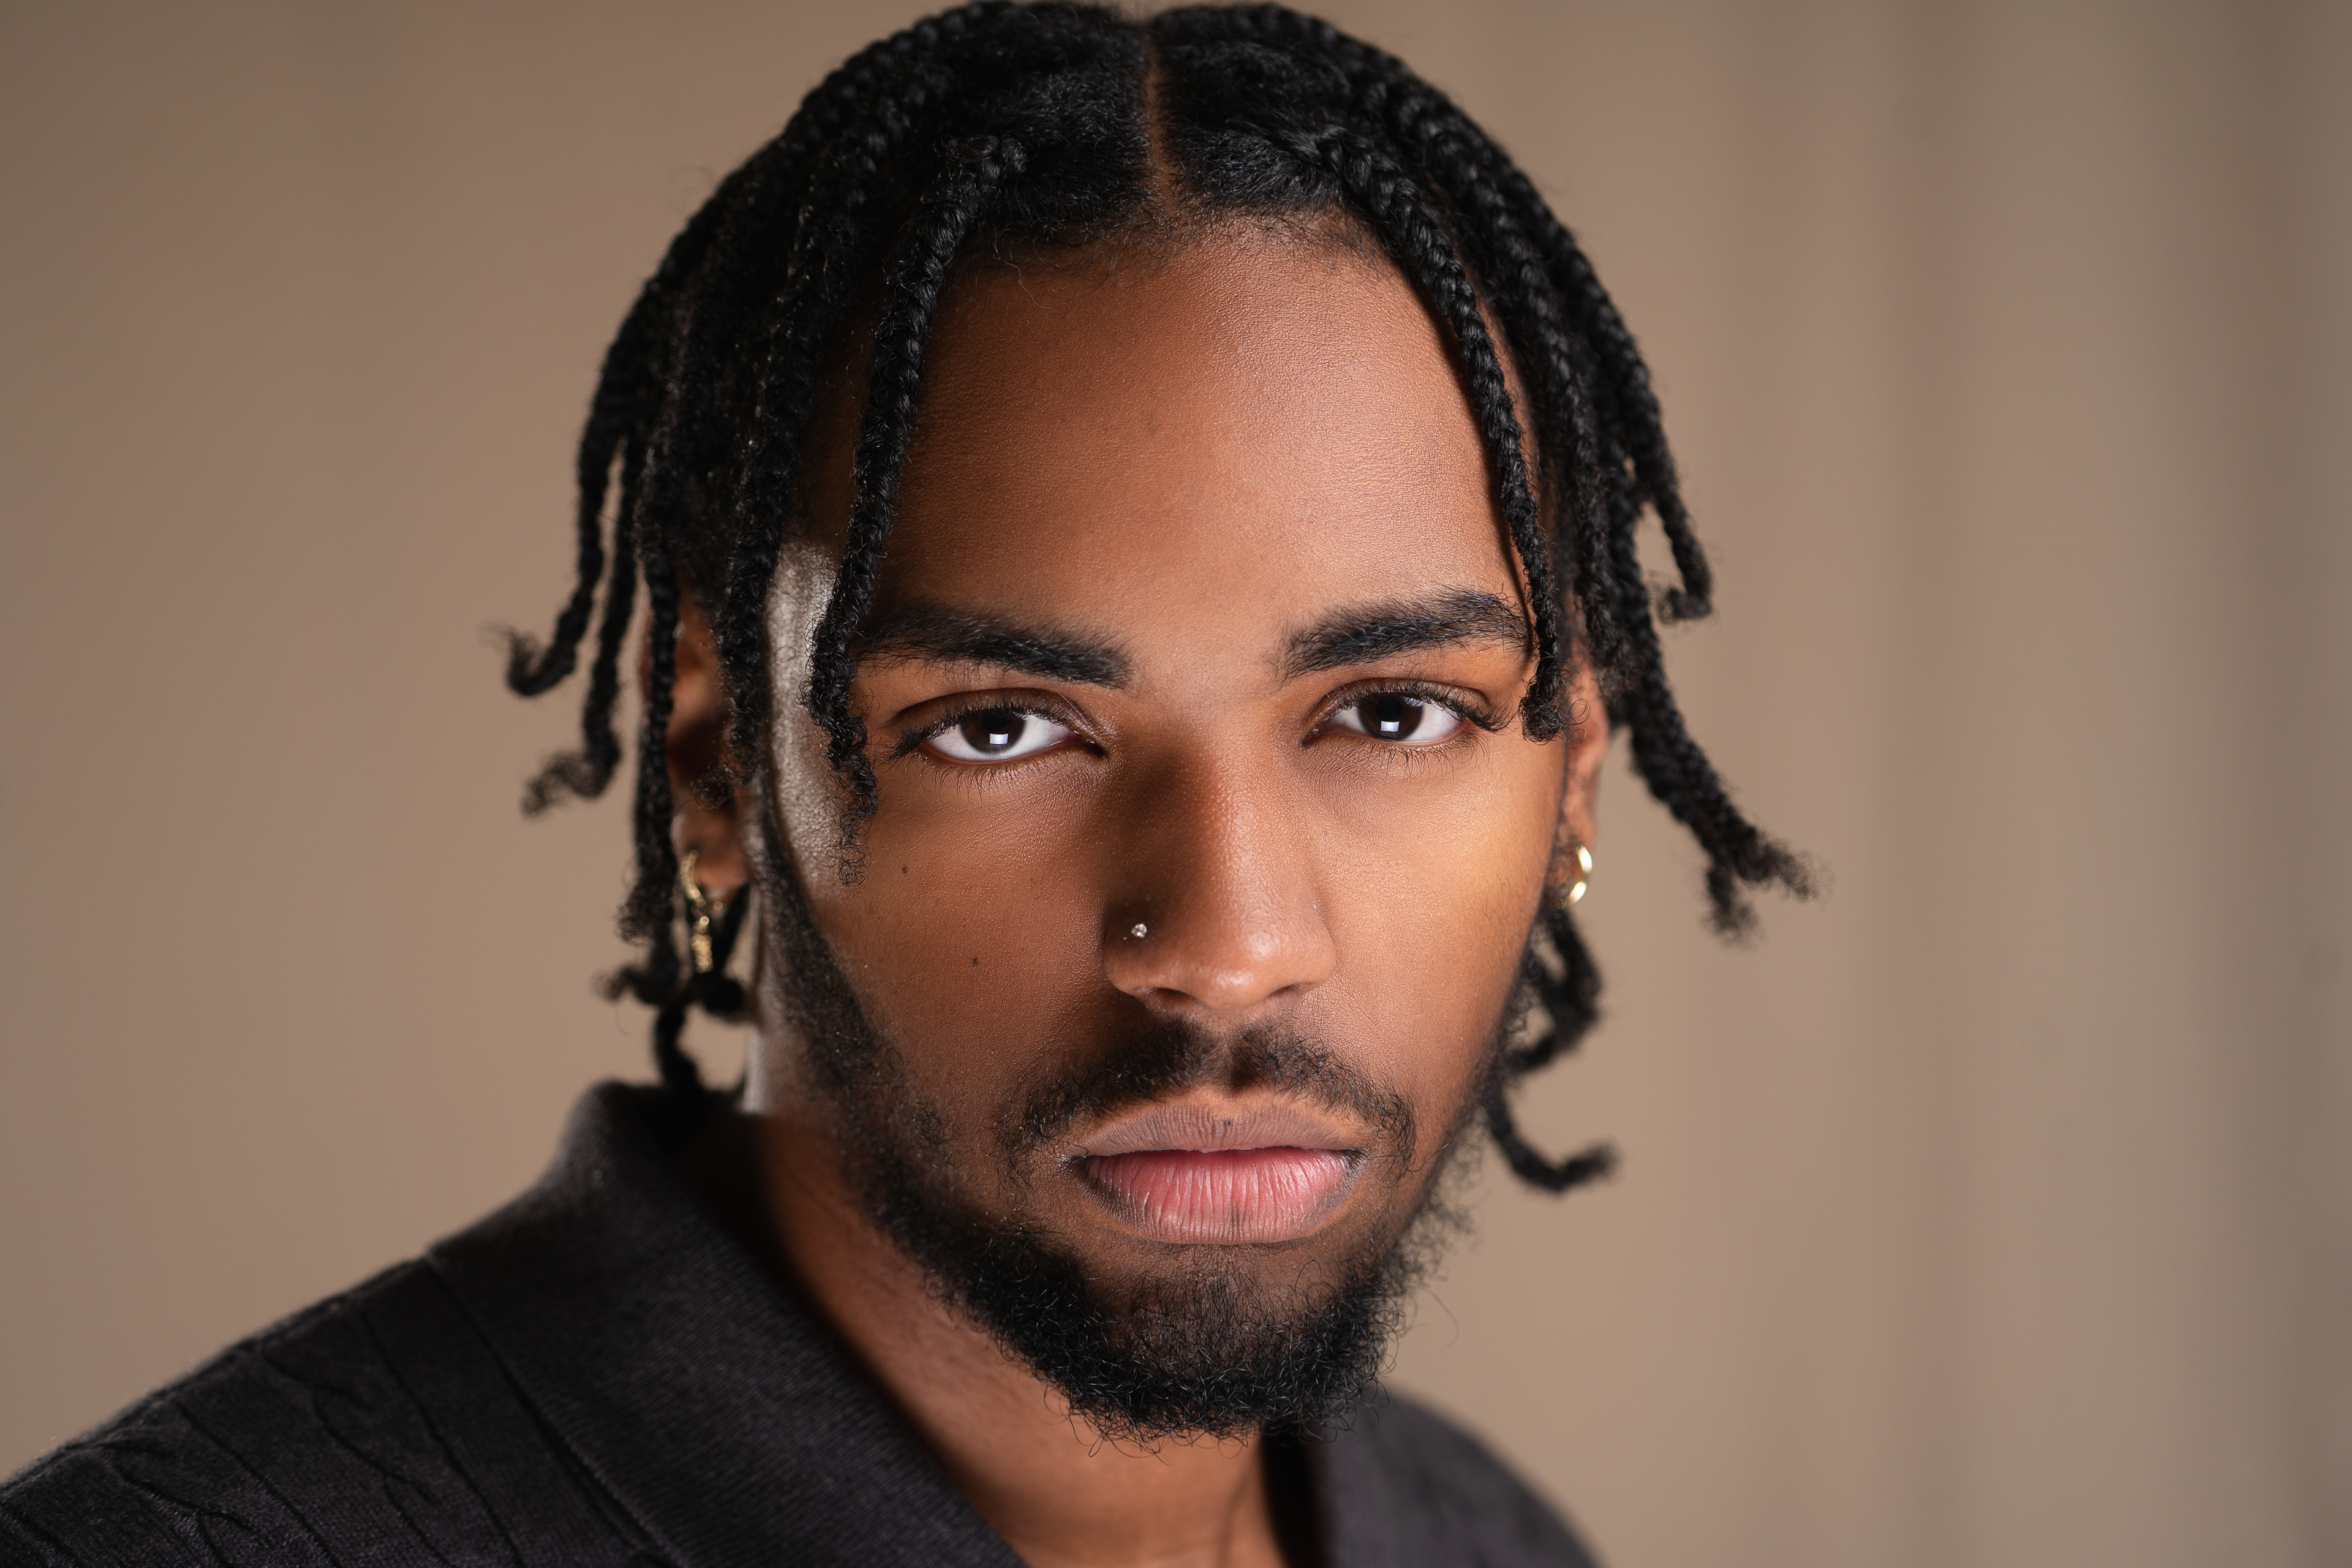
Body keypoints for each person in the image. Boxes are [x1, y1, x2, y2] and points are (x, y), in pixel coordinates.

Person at [0, 5, 1806, 1564]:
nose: (1232, 944)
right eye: (1000, 726)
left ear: (1574, 770)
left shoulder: (1488, 1540)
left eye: (1394, 713)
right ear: (716, 763)